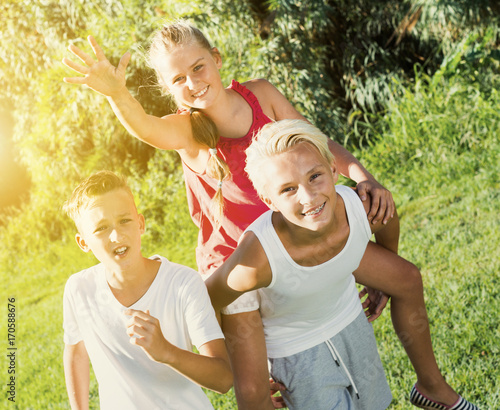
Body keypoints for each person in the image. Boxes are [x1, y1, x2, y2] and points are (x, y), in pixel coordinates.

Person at [62, 21, 394, 409]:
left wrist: (362, 176)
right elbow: (147, 128)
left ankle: (416, 364)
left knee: (387, 270)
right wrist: (118, 93)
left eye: (198, 68)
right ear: (169, 89)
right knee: (255, 392)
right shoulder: (189, 130)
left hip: (291, 236)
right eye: (179, 79)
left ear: (216, 59)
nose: (192, 82)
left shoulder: (262, 95)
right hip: (237, 267)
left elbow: (314, 141)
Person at [206, 120, 479, 410]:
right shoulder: (256, 259)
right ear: (267, 200)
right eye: (288, 189)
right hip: (289, 337)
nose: (308, 197)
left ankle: (431, 389)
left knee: (375, 402)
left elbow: (389, 224)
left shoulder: (363, 209)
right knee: (253, 394)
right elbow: (205, 301)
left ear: (334, 170)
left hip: (340, 313)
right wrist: (237, 368)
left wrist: (378, 280)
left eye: (315, 176)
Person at [62, 170, 232, 409]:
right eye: (101, 228)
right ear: (83, 243)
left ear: (140, 224)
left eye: (124, 220)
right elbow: (76, 352)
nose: (116, 235)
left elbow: (223, 379)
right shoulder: (78, 289)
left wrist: (166, 351)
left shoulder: (183, 283)